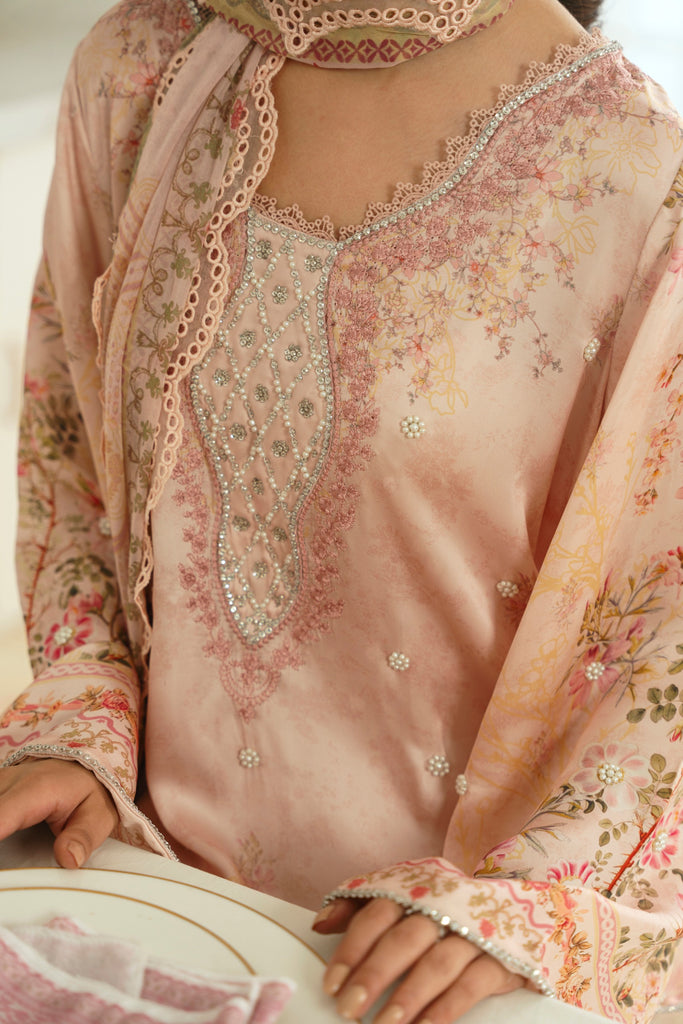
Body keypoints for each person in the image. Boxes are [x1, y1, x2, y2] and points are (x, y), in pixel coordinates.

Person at [1, 0, 682, 1020]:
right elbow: (71, 456)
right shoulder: (134, 73)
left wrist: (532, 901)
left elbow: (660, 645)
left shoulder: (636, 176)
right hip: (130, 904)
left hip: (427, 974)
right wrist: (82, 711)